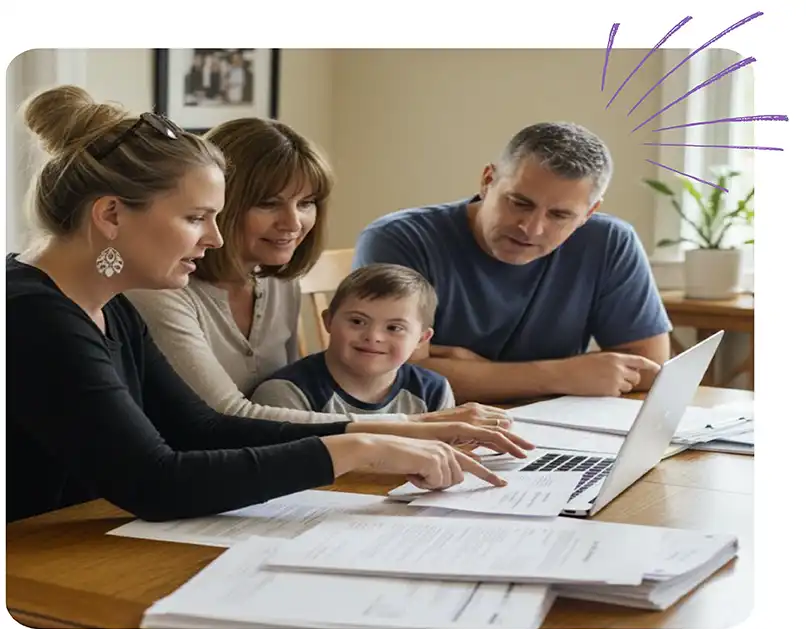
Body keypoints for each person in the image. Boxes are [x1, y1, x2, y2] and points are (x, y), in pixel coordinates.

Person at [5, 85, 534, 524]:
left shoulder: (107, 304)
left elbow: (204, 428)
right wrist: (359, 450)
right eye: (195, 218)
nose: (214, 238)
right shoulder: (32, 315)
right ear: (111, 215)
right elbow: (156, 482)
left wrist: (396, 430)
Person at [126, 117, 511, 428]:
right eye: (268, 203)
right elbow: (227, 416)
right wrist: (416, 427)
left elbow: (294, 387)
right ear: (217, 203)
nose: (293, 223)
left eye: (306, 203)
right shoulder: (161, 290)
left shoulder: (279, 280)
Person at [353, 122, 672, 404]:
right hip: (431, 434)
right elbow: (389, 374)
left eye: (560, 215)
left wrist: (475, 373)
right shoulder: (399, 239)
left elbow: (648, 366)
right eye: (519, 203)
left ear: (588, 213)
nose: (531, 228)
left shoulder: (610, 242)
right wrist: (561, 375)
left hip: (556, 431)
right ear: (488, 180)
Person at [252, 263, 455, 417]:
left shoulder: (434, 392)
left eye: (394, 328)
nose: (373, 336)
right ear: (329, 321)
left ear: (422, 339)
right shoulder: (287, 394)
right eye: (358, 321)